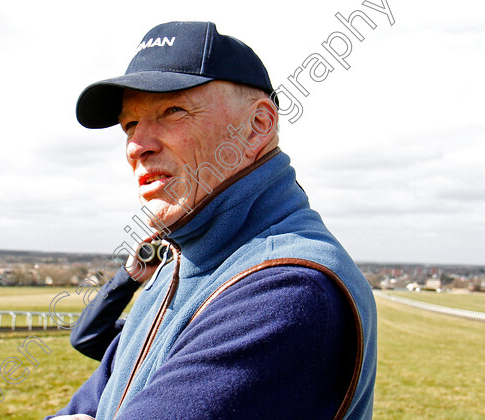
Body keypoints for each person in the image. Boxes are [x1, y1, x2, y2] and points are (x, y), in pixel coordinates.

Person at [48, 21, 377, 420]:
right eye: (130, 124)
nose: (137, 146)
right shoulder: (177, 268)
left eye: (172, 110)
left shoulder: (286, 288)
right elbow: (90, 394)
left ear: (258, 126)